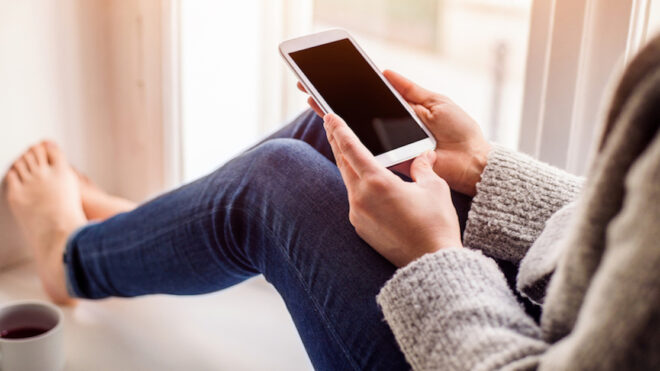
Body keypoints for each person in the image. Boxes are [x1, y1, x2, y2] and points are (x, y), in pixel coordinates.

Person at [3, 35, 659, 369]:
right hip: (559, 302)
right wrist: (489, 172)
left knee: (272, 181)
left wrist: (435, 256)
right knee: (335, 132)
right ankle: (137, 234)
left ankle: (72, 261)